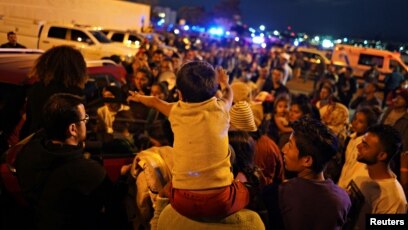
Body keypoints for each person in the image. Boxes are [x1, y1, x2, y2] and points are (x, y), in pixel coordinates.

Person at [128, 61, 249, 219]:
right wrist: (224, 82)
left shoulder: (175, 110)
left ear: (179, 94)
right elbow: (229, 95)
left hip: (182, 201)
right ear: (213, 92)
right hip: (221, 203)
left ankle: (158, 217)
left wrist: (138, 97)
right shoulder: (221, 109)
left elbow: (155, 102)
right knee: (245, 182)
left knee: (165, 190)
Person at [15, 93, 114, 230]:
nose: (87, 122)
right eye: (84, 119)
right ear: (73, 129)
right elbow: (113, 206)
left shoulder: (28, 152)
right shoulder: (88, 172)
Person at [265, 117, 351, 230]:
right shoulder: (343, 199)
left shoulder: (277, 193)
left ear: (307, 160)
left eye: (290, 145)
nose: (283, 150)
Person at [20, 45, 88, 138]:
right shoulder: (75, 95)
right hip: (61, 147)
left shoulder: (36, 89)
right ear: (77, 69)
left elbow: (30, 122)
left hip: (35, 143)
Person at [348, 125, 407, 229]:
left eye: (365, 145)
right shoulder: (362, 174)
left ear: (382, 156)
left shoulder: (394, 199)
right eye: (362, 141)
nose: (358, 146)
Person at [337, 107, 379, 189]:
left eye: (361, 122)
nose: (355, 123)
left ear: (368, 126)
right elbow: (347, 165)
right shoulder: (351, 138)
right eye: (355, 119)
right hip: (342, 183)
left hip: (350, 186)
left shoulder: (364, 144)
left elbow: (357, 170)